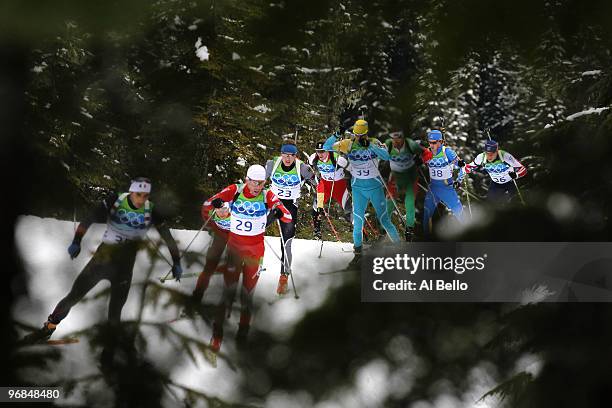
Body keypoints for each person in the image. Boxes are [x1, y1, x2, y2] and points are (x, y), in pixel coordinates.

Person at [22, 177, 182, 344]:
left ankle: (110, 351)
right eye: (138, 194)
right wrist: (77, 241)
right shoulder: (116, 200)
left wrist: (176, 261)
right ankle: (47, 329)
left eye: (145, 196)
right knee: (74, 296)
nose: (141, 199)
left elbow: (168, 237)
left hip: (125, 266)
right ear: (131, 191)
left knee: (115, 310)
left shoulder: (151, 210)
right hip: (103, 259)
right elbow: (90, 218)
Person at [205, 165, 292, 353]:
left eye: (261, 183)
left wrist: (277, 211)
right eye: (253, 182)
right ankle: (217, 335)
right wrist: (219, 204)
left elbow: (287, 215)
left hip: (255, 252)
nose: (257, 186)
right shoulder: (235, 190)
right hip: (234, 250)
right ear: (247, 179)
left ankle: (242, 335)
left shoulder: (267, 195)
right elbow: (212, 201)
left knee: (247, 294)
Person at [323, 119, 400, 264]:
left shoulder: (374, 142)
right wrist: (336, 134)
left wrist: (370, 145)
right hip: (358, 189)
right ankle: (357, 253)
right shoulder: (348, 143)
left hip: (375, 188)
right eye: (356, 135)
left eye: (361, 135)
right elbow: (327, 147)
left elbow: (386, 156)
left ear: (366, 133)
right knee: (357, 222)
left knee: (384, 220)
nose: (359, 138)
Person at [265, 140, 316, 295]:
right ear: (281, 154)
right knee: (254, 230)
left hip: (289, 207)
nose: (287, 158)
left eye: (291, 155)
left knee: (286, 242)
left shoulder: (302, 168)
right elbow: (258, 182)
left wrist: (318, 204)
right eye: (285, 155)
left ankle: (283, 277)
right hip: (272, 204)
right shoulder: (271, 164)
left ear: (296, 156)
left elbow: (318, 185)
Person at [383, 130, 433, 240]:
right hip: (395, 178)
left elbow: (428, 154)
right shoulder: (389, 145)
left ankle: (409, 231)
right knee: (389, 203)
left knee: (410, 204)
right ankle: (384, 230)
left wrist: (420, 160)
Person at [188, 200, 231, 310]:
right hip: (219, 238)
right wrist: (211, 229)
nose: (222, 213)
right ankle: (197, 297)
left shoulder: (235, 213)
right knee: (209, 267)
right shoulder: (212, 213)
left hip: (233, 238)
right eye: (219, 210)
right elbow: (206, 219)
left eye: (225, 210)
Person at [422, 129, 466, 235]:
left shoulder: (447, 152)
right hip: (433, 189)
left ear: (440, 142)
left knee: (460, 213)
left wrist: (458, 181)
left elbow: (462, 167)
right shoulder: (426, 153)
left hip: (447, 188)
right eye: (429, 142)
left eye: (434, 142)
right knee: (426, 215)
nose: (431, 145)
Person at [308, 140, 351, 240]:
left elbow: (351, 169)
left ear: (328, 151)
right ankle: (317, 232)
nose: (320, 154)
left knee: (348, 209)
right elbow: (310, 167)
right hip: (324, 185)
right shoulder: (313, 158)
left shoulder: (338, 159)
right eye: (318, 151)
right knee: (316, 206)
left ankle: (361, 233)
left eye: (323, 151)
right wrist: (315, 176)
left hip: (338, 186)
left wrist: (352, 183)